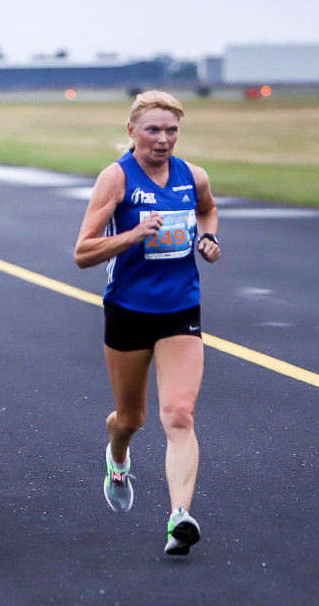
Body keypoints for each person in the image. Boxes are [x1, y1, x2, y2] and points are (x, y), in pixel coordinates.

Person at [74, 90, 221, 557]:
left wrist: (210, 236)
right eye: (153, 130)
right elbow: (82, 252)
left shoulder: (192, 175)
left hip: (180, 309)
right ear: (132, 130)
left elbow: (208, 209)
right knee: (131, 419)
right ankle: (117, 459)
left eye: (171, 130)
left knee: (179, 414)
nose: (163, 139)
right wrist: (135, 234)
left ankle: (180, 515)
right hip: (129, 311)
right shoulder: (116, 180)